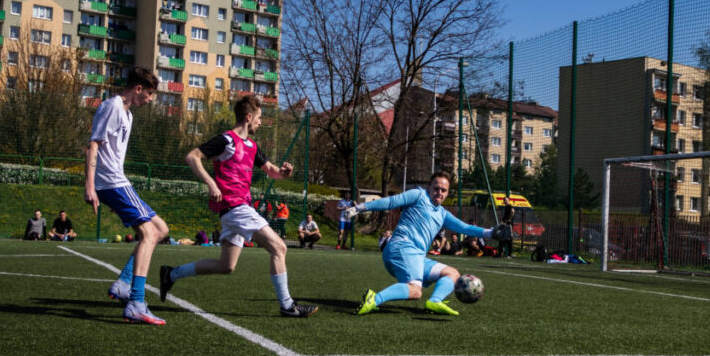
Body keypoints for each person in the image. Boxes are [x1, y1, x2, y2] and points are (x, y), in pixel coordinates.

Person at [158, 96, 317, 318]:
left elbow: (271, 169)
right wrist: (211, 183)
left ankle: (171, 274)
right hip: (235, 208)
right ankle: (287, 305)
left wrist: (283, 173)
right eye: (259, 118)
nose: (261, 122)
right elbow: (192, 157)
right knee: (279, 248)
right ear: (248, 117)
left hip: (236, 211)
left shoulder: (252, 146)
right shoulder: (226, 140)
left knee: (226, 266)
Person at [341, 172, 509, 316]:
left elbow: (465, 227)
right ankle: (374, 299)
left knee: (451, 273)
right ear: (430, 187)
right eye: (436, 188)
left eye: (443, 190)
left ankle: (435, 302)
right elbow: (391, 202)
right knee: (415, 291)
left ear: (447, 193)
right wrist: (359, 208)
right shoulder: (419, 195)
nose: (439, 192)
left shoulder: (442, 214)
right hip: (401, 247)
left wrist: (490, 232)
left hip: (415, 256)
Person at [84, 65, 170, 325]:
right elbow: (93, 145)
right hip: (111, 182)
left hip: (117, 184)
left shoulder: (128, 115)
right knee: (149, 233)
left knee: (161, 229)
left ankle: (123, 283)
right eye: (150, 94)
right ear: (139, 88)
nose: (151, 100)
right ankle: (136, 302)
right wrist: (90, 186)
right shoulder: (111, 107)